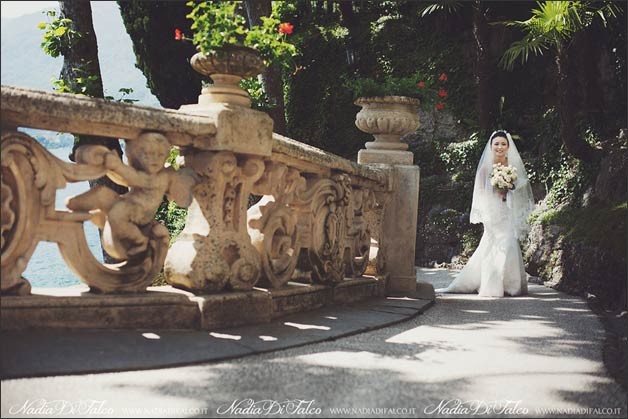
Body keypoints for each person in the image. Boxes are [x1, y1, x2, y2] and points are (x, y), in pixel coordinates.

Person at [436, 130, 535, 297]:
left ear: (508, 146)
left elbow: (520, 186)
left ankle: (511, 285)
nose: (500, 147)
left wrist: (509, 189)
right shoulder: (485, 168)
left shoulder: (512, 167)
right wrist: (495, 194)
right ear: (491, 146)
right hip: (493, 211)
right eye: (496, 144)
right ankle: (492, 286)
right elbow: (480, 192)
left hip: (508, 210)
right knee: (494, 244)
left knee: (510, 241)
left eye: (503, 144)